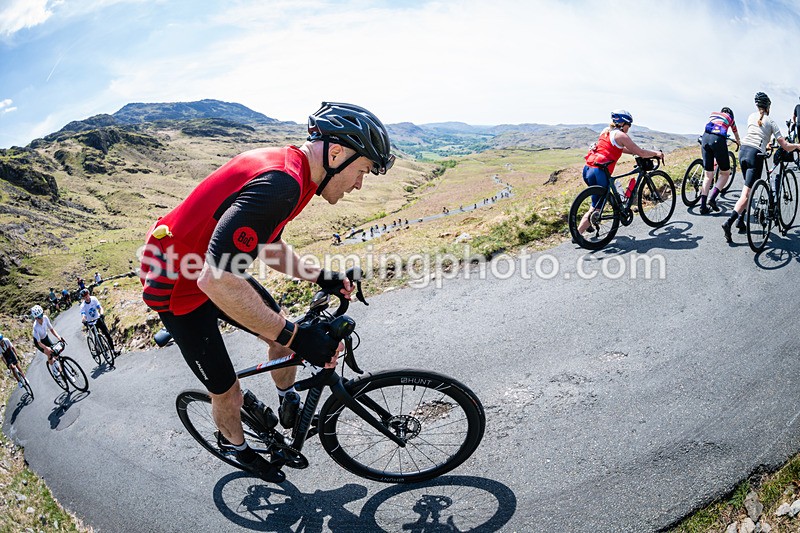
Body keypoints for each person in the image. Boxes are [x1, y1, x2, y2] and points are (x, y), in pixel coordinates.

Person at [139, 102, 394, 483]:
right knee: (227, 389)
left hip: (207, 268)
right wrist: (294, 335)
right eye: (362, 172)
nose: (359, 184)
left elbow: (268, 246)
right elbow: (216, 281)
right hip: (178, 287)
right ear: (337, 153)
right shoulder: (282, 184)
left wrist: (320, 276)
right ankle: (237, 448)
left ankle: (286, 396)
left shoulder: (299, 176)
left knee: (284, 338)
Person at [722, 92, 800, 242]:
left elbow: (757, 134)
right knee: (746, 194)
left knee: (748, 189)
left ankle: (740, 221)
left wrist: (768, 144)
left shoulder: (751, 117)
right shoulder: (771, 122)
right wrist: (797, 145)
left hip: (743, 152)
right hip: (754, 155)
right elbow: (784, 145)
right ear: (768, 106)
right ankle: (729, 222)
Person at [577, 110, 664, 235]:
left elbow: (618, 148)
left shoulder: (606, 131)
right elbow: (641, 153)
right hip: (600, 172)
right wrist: (656, 154)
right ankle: (578, 234)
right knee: (596, 207)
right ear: (623, 124)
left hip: (588, 169)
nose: (629, 127)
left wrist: (634, 151)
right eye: (629, 124)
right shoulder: (621, 135)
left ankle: (585, 226)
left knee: (595, 202)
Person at [698, 107, 741, 214]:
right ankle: (712, 199)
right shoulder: (730, 118)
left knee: (708, 175)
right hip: (717, 139)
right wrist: (738, 142)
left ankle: (703, 206)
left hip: (705, 138)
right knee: (726, 173)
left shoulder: (713, 113)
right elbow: (735, 133)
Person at [30, 305, 66, 378]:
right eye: (39, 317)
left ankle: (58, 365)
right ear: (36, 318)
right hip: (39, 342)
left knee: (55, 352)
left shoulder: (45, 318)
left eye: (42, 314)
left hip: (45, 337)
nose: (41, 318)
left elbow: (52, 330)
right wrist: (46, 348)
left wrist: (59, 337)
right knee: (49, 353)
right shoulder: (35, 327)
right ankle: (54, 371)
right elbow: (39, 343)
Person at [79, 288, 117, 356]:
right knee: (97, 337)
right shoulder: (82, 306)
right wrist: (84, 321)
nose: (87, 298)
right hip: (90, 322)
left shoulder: (93, 299)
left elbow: (100, 307)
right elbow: (83, 315)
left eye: (87, 296)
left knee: (107, 334)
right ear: (83, 298)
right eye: (85, 297)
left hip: (98, 319)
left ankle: (113, 350)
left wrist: (101, 314)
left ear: (89, 294)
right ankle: (102, 349)